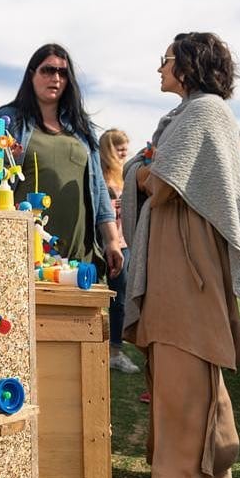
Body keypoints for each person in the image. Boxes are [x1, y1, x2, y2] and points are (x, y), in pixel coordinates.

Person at [121, 32, 240, 478]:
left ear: (188, 65)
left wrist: (141, 167)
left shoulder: (202, 112)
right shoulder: (191, 114)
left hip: (186, 251)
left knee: (182, 353)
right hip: (180, 246)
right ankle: (214, 460)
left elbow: (161, 183)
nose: (159, 68)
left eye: (165, 60)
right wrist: (147, 165)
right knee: (185, 354)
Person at [0, 43, 124, 281]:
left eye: (62, 73)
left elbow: (99, 189)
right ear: (32, 74)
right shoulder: (8, 120)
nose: (55, 78)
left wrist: (112, 241)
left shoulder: (81, 128)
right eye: (48, 70)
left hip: (80, 262)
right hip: (24, 261)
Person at [99, 128, 139, 374]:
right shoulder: (101, 177)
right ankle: (107, 348)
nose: (124, 150)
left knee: (120, 299)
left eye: (125, 145)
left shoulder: (126, 174)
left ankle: (115, 349)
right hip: (104, 242)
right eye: (118, 146)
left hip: (125, 243)